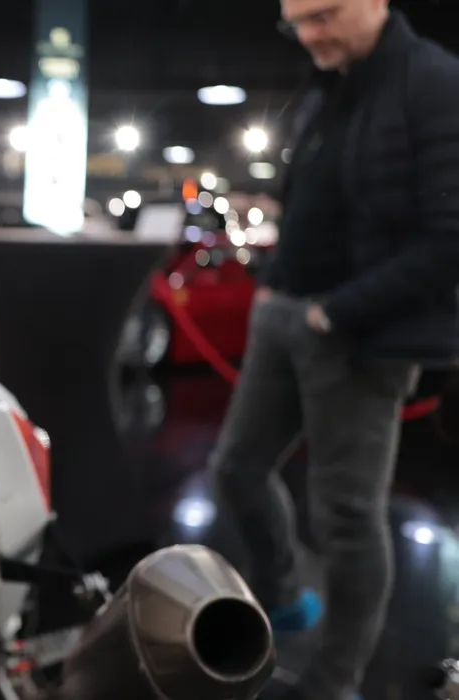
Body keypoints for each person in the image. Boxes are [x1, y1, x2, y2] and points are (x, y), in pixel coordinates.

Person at [209, 2, 459, 700]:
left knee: (347, 515)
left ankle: (335, 679)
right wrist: (275, 285)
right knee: (237, 470)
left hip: (362, 334)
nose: (308, 34)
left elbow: (450, 238)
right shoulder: (329, 83)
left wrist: (336, 312)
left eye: (323, 16)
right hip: (288, 313)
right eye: (296, 21)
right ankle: (287, 596)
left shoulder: (435, 84)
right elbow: (309, 202)